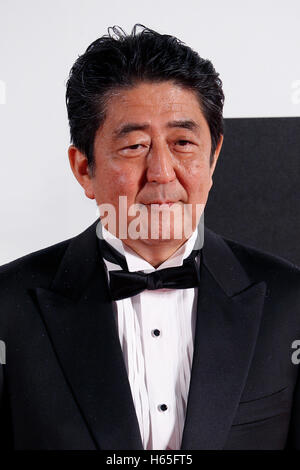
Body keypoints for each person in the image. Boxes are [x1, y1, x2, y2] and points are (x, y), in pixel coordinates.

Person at [0, 24, 300, 451]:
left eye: (182, 142)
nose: (162, 171)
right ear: (84, 168)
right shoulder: (7, 306)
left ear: (212, 157)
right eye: (135, 146)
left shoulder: (291, 302)